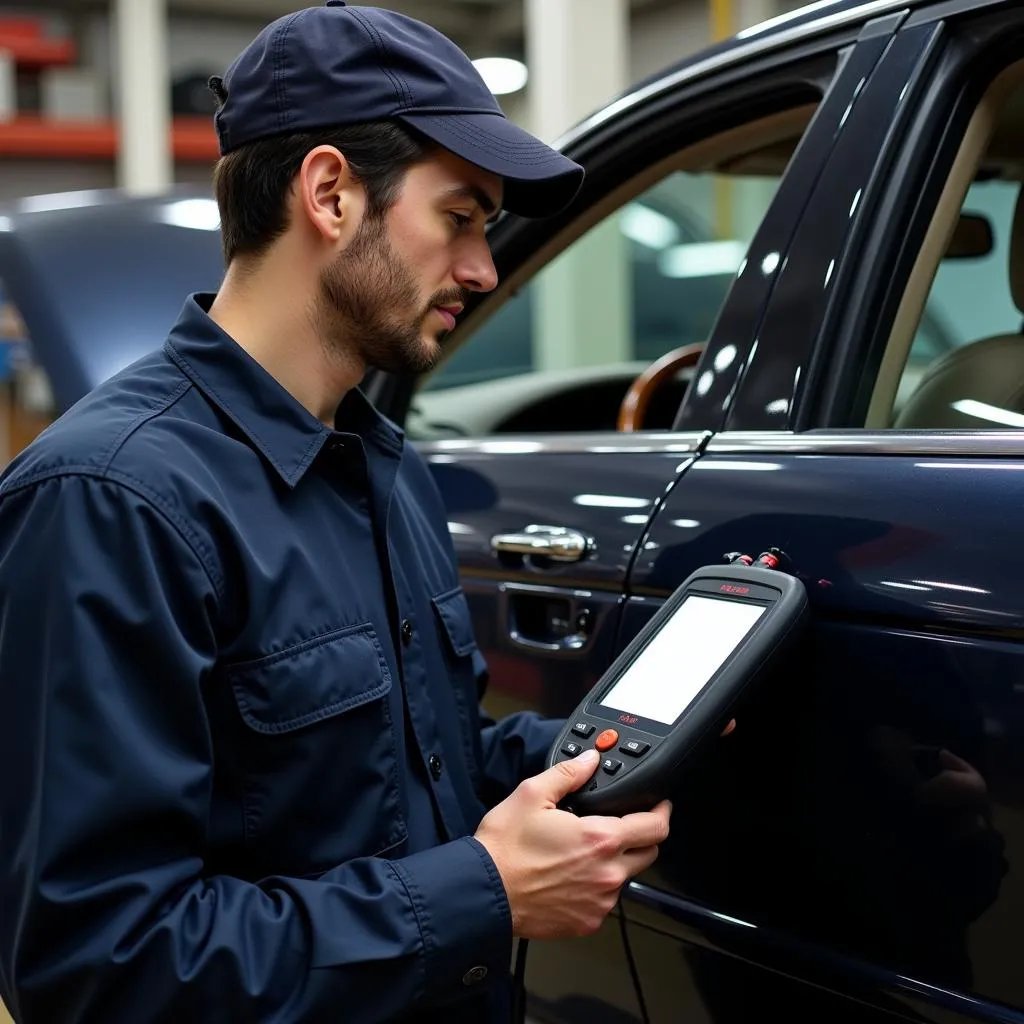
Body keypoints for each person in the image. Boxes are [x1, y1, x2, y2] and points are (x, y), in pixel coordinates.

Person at [0, 4, 673, 1022]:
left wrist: (636, 741)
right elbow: (98, 965)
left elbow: (420, 779)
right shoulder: (113, 502)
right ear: (328, 193)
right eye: (459, 216)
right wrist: (482, 893)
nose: (484, 269)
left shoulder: (378, 468)